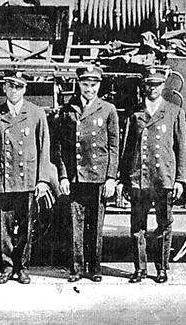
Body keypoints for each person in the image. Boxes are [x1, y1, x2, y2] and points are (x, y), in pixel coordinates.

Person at [120, 66, 186, 284]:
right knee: (137, 226)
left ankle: (161, 268)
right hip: (139, 178)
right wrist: (124, 180)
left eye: (157, 84)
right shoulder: (135, 114)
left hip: (163, 178)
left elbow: (181, 149)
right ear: (144, 87)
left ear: (163, 86)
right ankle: (139, 269)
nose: (153, 88)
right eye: (149, 84)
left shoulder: (174, 111)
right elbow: (126, 149)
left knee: (164, 224)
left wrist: (180, 179)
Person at [54, 64, 120, 283]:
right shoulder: (67, 109)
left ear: (99, 85)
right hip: (75, 178)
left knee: (96, 224)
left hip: (98, 177)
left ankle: (95, 267)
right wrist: (63, 175)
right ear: (79, 84)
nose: (89, 89)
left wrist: (111, 177)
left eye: (93, 85)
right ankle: (76, 268)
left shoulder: (108, 109)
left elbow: (113, 146)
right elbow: (61, 147)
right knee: (75, 224)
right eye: (85, 84)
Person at [0, 70, 51, 284]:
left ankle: (22, 267)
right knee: (3, 227)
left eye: (19, 86)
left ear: (25, 89)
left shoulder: (36, 113)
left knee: (26, 227)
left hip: (28, 179)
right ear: (4, 87)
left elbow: (44, 149)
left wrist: (43, 179)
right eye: (10, 86)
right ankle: (6, 267)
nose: (14, 90)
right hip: (4, 179)